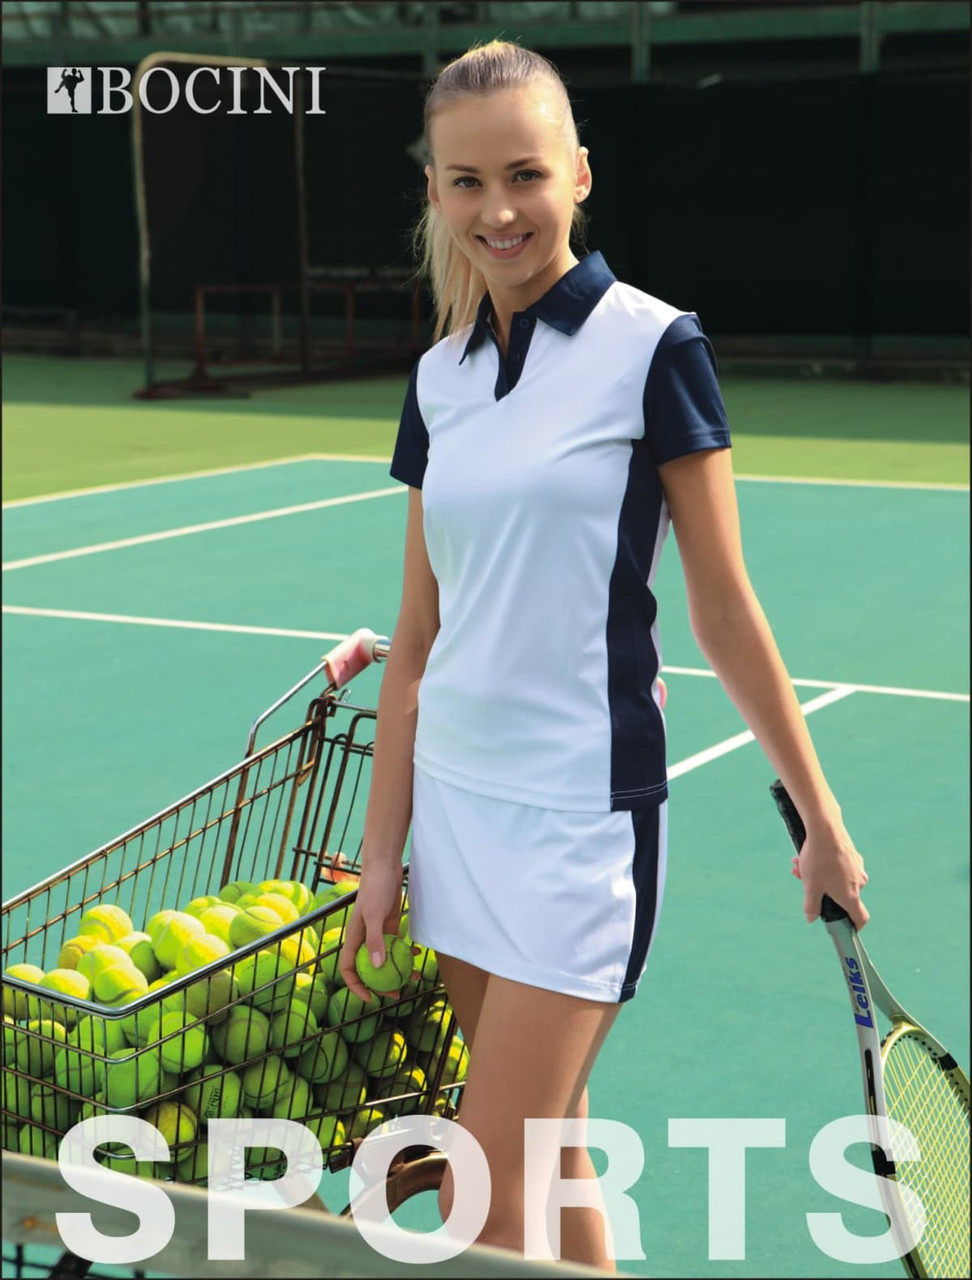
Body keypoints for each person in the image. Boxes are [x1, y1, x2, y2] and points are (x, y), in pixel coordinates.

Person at [339, 38, 868, 1271]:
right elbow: (418, 638)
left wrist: (821, 815)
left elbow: (724, 609)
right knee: (555, 1149)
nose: (499, 209)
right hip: (458, 814)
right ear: (435, 193)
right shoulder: (438, 378)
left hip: (583, 824)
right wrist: (383, 851)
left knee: (483, 1196)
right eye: (466, 182)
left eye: (525, 172)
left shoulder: (654, 346)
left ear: (579, 173)